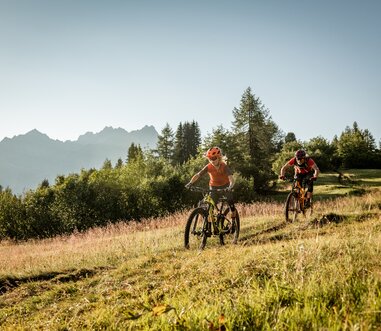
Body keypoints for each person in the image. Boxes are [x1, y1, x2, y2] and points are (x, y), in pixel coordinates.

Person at [185, 146, 236, 218]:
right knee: (210, 207)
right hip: (213, 186)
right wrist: (190, 183)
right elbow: (198, 175)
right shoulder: (208, 166)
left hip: (225, 186)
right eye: (210, 158)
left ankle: (234, 222)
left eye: (214, 158)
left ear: (219, 157)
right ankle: (209, 224)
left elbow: (231, 179)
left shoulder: (224, 166)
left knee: (230, 202)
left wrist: (230, 187)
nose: (212, 160)